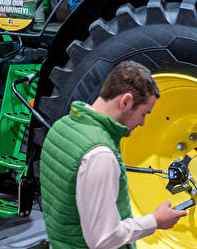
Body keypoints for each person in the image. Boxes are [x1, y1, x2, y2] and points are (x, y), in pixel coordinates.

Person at [41, 61, 186, 249]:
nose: (142, 123)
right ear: (125, 102)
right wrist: (155, 221)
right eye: (144, 114)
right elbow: (104, 239)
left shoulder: (62, 126)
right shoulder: (100, 154)